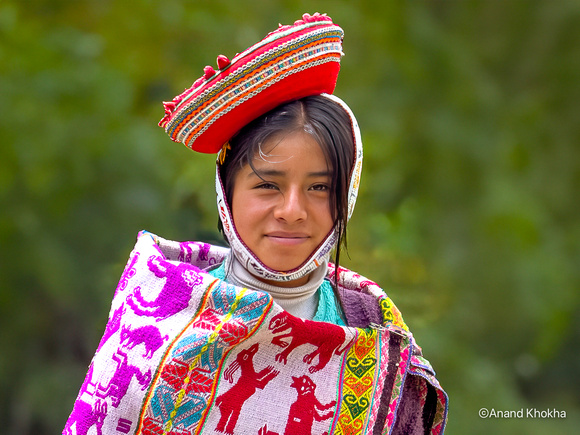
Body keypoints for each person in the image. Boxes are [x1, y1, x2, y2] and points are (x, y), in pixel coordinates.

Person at [64, 13, 447, 435]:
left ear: (348, 195)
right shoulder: (159, 320)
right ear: (226, 194)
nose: (292, 210)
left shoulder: (376, 337)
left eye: (320, 188)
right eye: (268, 185)